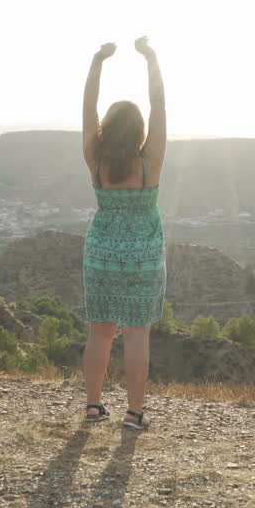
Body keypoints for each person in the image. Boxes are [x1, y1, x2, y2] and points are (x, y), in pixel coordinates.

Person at [80, 36, 166, 431]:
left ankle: (93, 407)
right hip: (143, 256)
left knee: (100, 332)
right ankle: (134, 413)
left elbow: (88, 108)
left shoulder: (95, 161)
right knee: (136, 335)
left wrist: (98, 62)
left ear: (106, 130)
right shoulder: (150, 163)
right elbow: (159, 105)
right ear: (139, 132)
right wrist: (150, 58)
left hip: (101, 253)